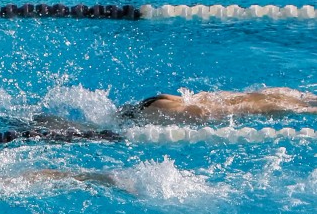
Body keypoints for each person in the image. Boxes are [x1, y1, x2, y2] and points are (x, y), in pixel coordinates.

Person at [118, 87, 317, 124]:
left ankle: (309, 108)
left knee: (245, 106)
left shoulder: (141, 121)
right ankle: (309, 101)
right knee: (246, 98)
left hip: (153, 110)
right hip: (154, 103)